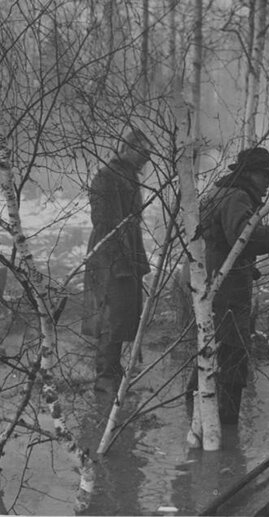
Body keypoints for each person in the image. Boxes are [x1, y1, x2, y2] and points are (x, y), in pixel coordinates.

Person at [194, 146, 269, 424]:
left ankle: (197, 417)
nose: (268, 181)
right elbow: (248, 239)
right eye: (264, 175)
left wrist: (246, 267)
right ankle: (226, 425)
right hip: (227, 291)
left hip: (214, 282)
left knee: (209, 350)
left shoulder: (225, 192)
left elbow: (226, 243)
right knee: (232, 354)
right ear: (250, 175)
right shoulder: (238, 196)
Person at [82, 129, 152, 394]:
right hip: (109, 256)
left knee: (123, 315)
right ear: (128, 148)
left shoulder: (128, 177)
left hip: (127, 252)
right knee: (110, 316)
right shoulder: (107, 177)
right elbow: (104, 224)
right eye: (143, 154)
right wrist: (118, 262)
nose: (146, 160)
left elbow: (131, 222)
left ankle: (113, 371)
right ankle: (105, 379)